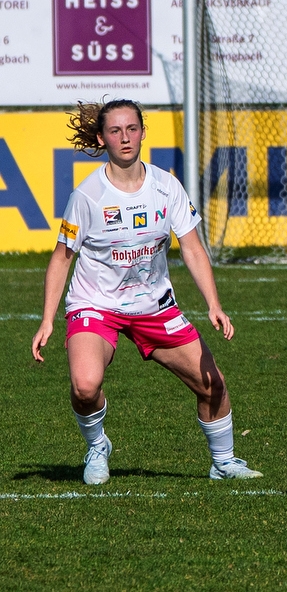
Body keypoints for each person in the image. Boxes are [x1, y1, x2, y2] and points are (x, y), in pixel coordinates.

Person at [31, 99, 262, 485]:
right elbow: (61, 259)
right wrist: (46, 320)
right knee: (85, 386)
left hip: (154, 306)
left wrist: (214, 303)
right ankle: (97, 446)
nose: (125, 138)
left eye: (132, 129)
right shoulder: (87, 196)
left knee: (213, 385)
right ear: (102, 138)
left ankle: (224, 462)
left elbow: (191, 247)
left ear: (142, 132)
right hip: (96, 304)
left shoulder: (166, 185)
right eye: (116, 131)